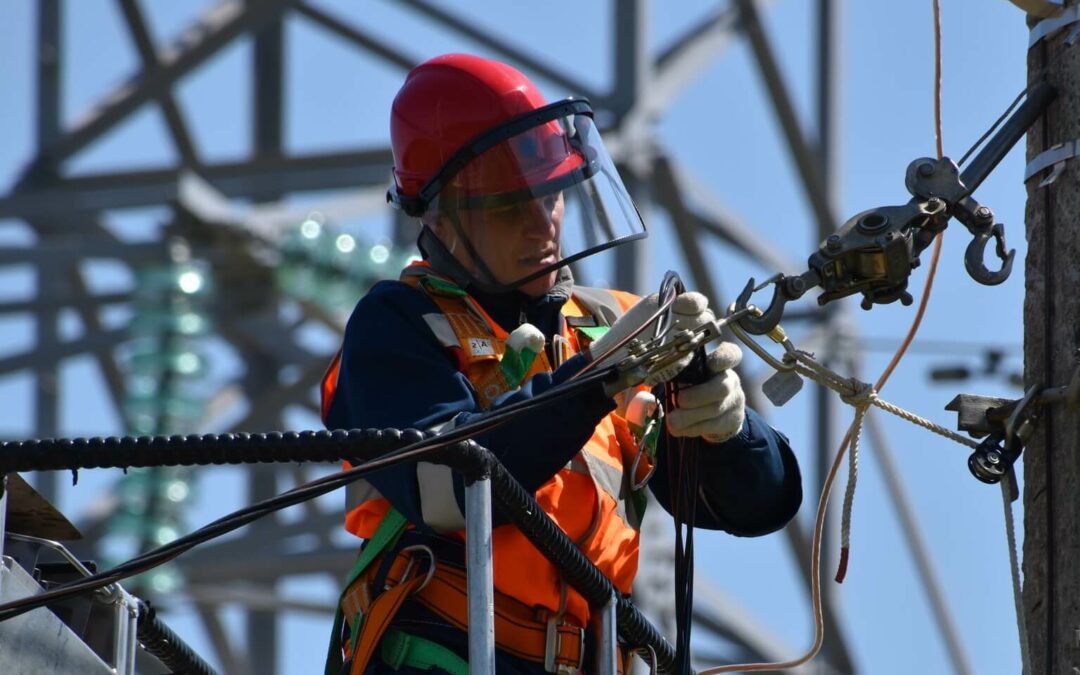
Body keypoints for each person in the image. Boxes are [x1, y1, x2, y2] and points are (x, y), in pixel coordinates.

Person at [321, 53, 802, 674]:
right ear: (440, 216)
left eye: (550, 197)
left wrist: (732, 432)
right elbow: (446, 490)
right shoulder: (397, 324)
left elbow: (753, 507)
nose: (541, 226)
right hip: (448, 656)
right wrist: (598, 378)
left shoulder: (609, 324)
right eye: (506, 206)